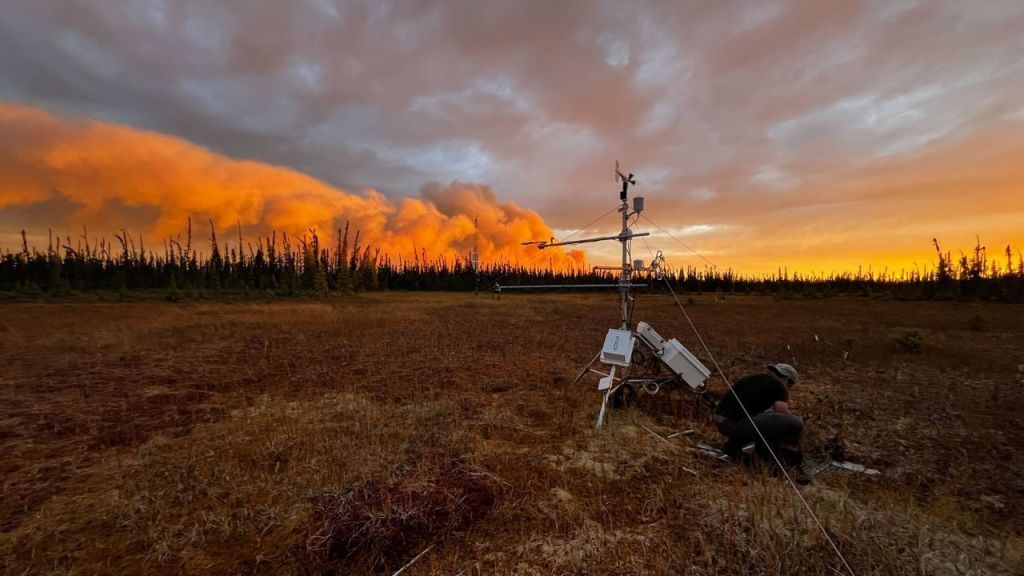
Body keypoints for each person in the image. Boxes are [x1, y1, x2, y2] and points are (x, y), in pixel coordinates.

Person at [713, 363, 810, 482]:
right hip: (734, 424)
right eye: (790, 385)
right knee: (794, 424)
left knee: (765, 422)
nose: (788, 388)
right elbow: (781, 411)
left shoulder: (753, 379)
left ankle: (737, 450)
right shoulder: (779, 385)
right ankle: (788, 464)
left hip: (722, 421)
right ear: (786, 379)